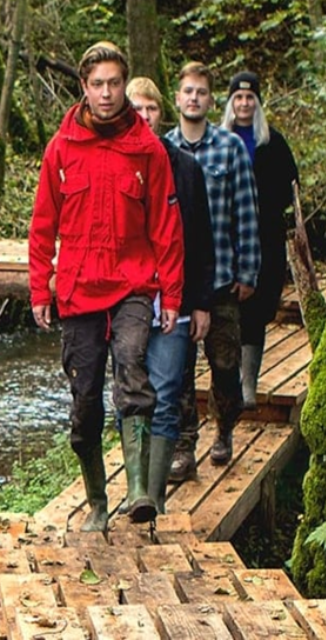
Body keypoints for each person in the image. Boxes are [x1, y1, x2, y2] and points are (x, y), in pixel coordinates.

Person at [29, 42, 184, 531]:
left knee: (134, 369)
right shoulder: (61, 148)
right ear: (83, 88)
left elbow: (167, 225)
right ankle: (98, 502)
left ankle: (139, 492)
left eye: (115, 83)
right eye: (97, 84)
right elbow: (41, 225)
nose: (107, 93)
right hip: (77, 291)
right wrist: (39, 289)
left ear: (125, 85)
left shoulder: (148, 149)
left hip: (134, 285)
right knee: (85, 399)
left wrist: (173, 297)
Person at [164, 61, 260, 479]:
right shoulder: (164, 149)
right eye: (187, 92)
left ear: (210, 99)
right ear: (178, 97)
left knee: (224, 366)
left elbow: (247, 211)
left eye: (201, 92)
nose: (194, 99)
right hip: (178, 284)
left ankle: (224, 429)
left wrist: (249, 271)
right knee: (180, 370)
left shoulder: (229, 149)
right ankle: (184, 448)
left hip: (222, 279)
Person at [124, 77, 215, 515]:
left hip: (175, 299)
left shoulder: (184, 166)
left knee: (166, 390)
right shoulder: (113, 161)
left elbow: (200, 238)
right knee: (130, 390)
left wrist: (200, 302)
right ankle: (135, 486)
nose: (143, 118)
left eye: (151, 110)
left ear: (162, 114)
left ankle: (152, 500)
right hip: (126, 300)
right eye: (135, 110)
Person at [221, 71, 299, 409]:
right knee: (228, 311)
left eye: (249, 98)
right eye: (237, 98)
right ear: (229, 103)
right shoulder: (218, 142)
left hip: (266, 240)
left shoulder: (273, 143)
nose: (243, 104)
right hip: (227, 241)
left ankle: (248, 385)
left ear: (258, 102)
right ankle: (229, 381)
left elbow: (292, 189)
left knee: (258, 310)